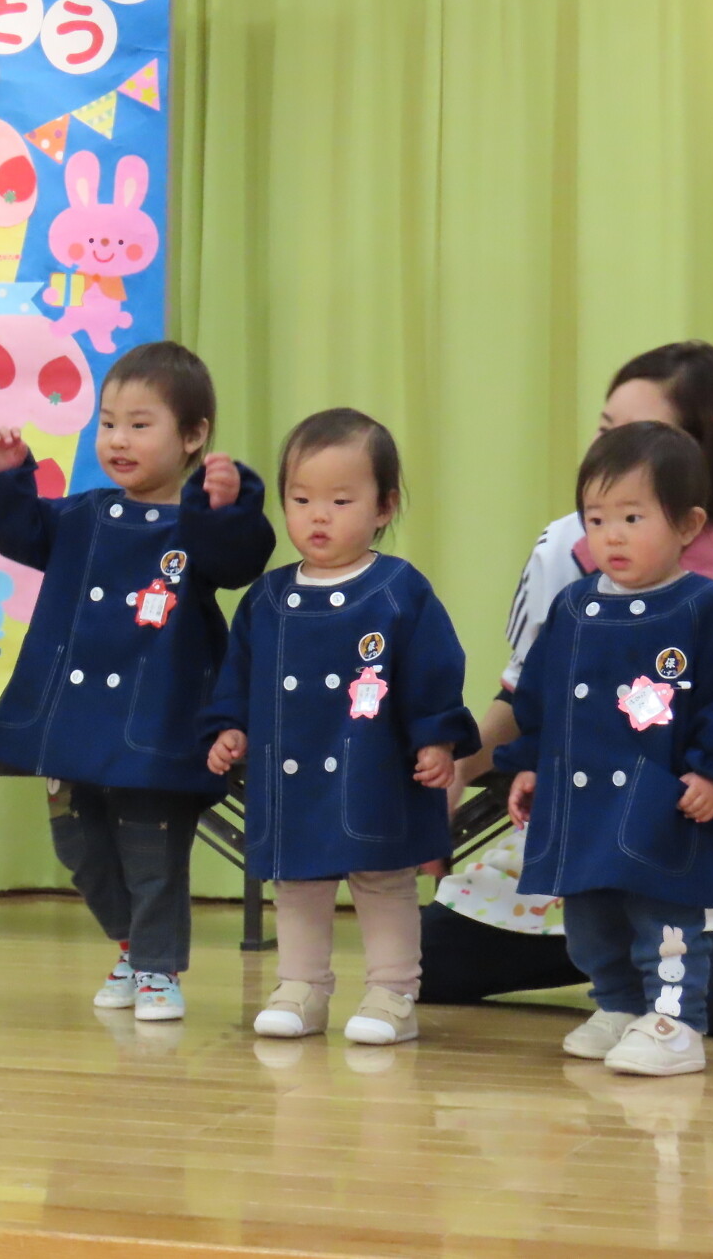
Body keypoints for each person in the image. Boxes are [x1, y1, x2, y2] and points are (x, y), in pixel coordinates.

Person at [426, 342, 713, 1036]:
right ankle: (618, 979)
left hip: (697, 837)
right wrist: (458, 773)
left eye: (641, 434)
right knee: (428, 966)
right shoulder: (565, 553)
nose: (610, 452)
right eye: (605, 428)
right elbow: (527, 698)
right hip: (585, 825)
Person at [0, 341, 275, 1021]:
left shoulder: (195, 527)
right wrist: (3, 476)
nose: (118, 440)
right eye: (107, 423)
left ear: (192, 436)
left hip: (158, 718)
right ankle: (134, 947)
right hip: (71, 721)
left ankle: (159, 969)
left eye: (140, 424)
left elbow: (240, 558)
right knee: (77, 846)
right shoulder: (82, 515)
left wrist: (226, 506)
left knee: (151, 849)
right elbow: (19, 531)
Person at [496, 421, 713, 1075]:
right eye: (596, 520)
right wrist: (530, 765)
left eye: (632, 517)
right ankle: (618, 1005)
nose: (611, 536)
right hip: (582, 805)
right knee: (590, 920)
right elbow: (539, 697)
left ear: (688, 525)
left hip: (663, 805)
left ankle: (677, 1020)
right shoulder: (571, 607)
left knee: (664, 919)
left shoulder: (705, 610)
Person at [205, 408, 479, 1045]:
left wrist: (437, 738)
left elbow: (435, 670)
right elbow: (237, 675)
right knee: (297, 879)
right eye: (301, 500)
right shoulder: (267, 598)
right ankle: (301, 987)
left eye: (340, 500)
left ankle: (392, 993)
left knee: (384, 880)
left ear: (384, 507)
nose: (318, 516)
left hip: (373, 766)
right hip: (292, 772)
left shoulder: (399, 590)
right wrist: (229, 727)